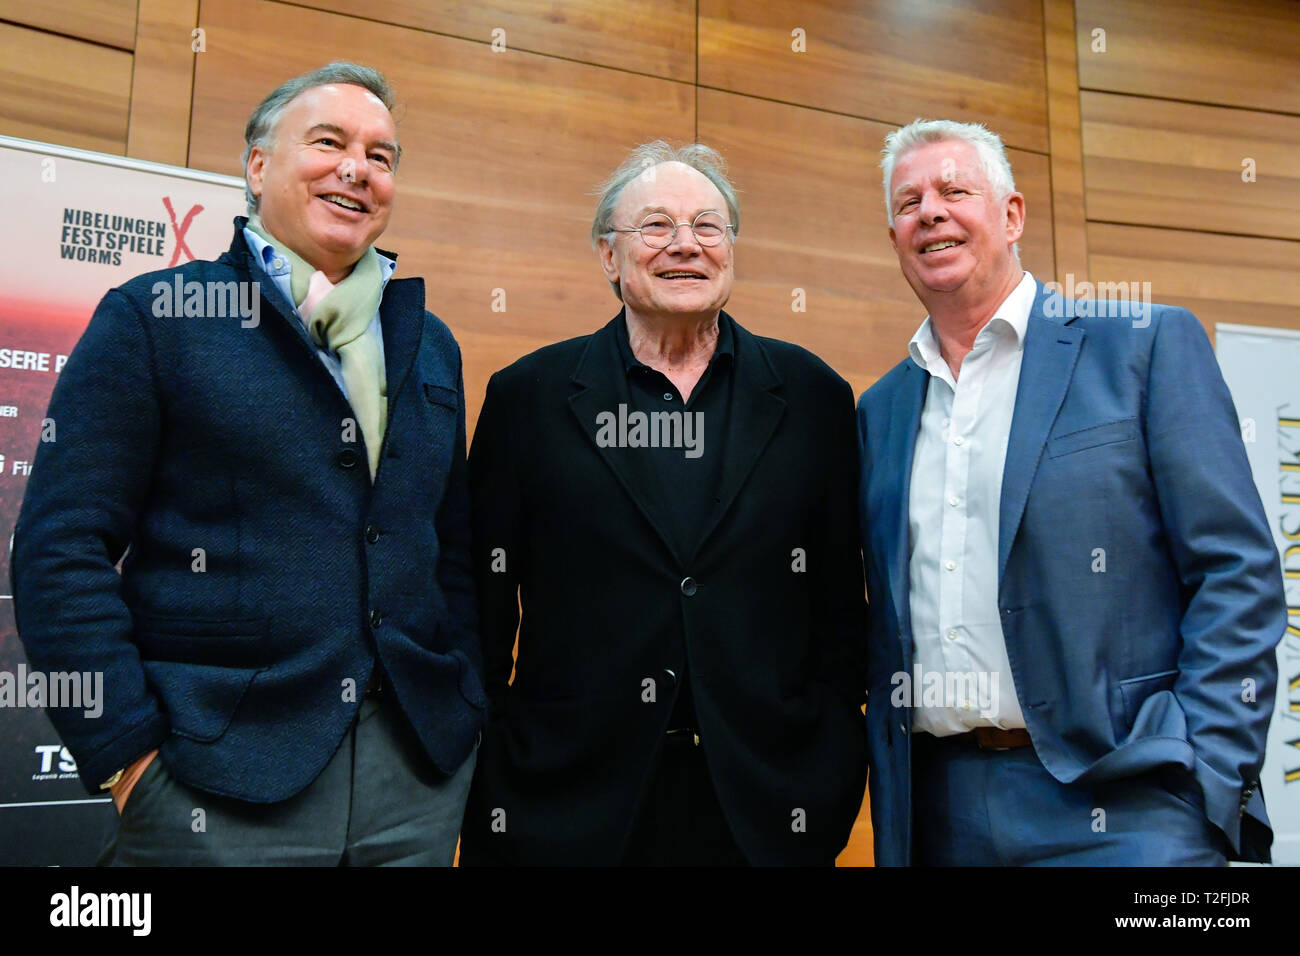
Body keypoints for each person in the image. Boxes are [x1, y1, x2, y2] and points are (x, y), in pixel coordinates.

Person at [11, 61, 485, 865]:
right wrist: (129, 760)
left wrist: (463, 709)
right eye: (328, 142)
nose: (356, 169)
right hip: (213, 785)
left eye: (381, 155)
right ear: (257, 166)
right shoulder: (157, 316)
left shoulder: (429, 344)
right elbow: (61, 549)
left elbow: (454, 554)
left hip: (415, 788)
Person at [858, 118, 1286, 866]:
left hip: (1131, 804)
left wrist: (1208, 769)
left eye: (955, 191)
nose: (930, 211)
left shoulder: (1143, 345)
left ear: (1012, 214)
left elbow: (1237, 574)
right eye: (908, 201)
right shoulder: (878, 411)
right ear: (894, 236)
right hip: (941, 814)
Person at [459, 141, 868, 866]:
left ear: (732, 249)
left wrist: (829, 768)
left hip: (767, 813)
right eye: (655, 226)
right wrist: (494, 769)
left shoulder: (815, 398)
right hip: (564, 812)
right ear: (609, 256)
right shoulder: (528, 398)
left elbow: (842, 613)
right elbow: (478, 610)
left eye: (708, 226)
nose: (686, 245)